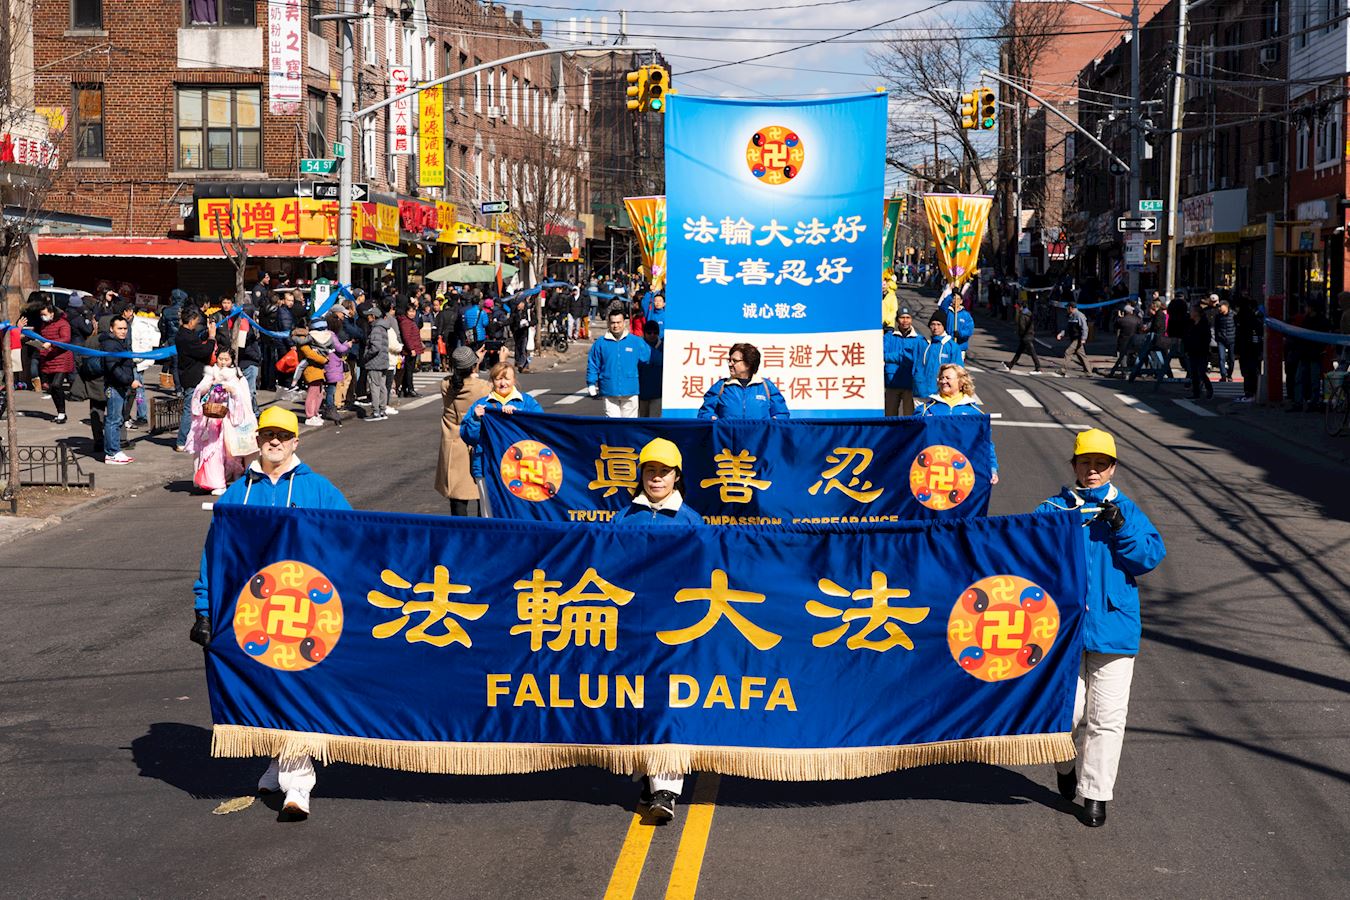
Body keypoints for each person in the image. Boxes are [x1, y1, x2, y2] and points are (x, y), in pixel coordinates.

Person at [189, 405, 350, 818]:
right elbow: (215, 556)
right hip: (252, 615)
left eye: (283, 435)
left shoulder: (319, 490)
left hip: (307, 615)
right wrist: (204, 608)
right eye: (267, 435)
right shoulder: (238, 493)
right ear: (257, 440)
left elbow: (352, 542)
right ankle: (280, 761)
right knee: (265, 692)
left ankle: (298, 787)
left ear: (296, 441)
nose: (274, 441)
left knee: (295, 691)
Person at [1036, 428, 1165, 828]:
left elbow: (1149, 557)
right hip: (1062, 632)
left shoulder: (1126, 510)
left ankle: (1096, 795)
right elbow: (1027, 559)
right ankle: (1064, 766)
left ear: (1112, 468)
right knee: (1061, 716)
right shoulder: (1051, 510)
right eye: (1085, 463)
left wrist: (1121, 526)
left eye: (1101, 464)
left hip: (1115, 628)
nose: (1092, 471)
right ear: (1074, 465)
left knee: (1107, 717)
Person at [611, 437, 704, 822]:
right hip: (632, 629)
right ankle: (645, 769)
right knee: (635, 701)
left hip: (673, 633)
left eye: (663, 472)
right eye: (650, 471)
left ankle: (665, 788)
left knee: (667, 705)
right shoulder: (623, 518)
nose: (655, 479)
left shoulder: (690, 521)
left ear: (677, 477)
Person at [460, 361, 544, 515]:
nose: (503, 383)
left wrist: (518, 416)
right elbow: (468, 437)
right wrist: (475, 419)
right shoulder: (481, 404)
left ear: (514, 380)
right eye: (498, 379)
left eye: (507, 378)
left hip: (521, 468)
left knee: (520, 513)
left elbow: (540, 429)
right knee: (489, 514)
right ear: (492, 381)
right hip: (488, 466)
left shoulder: (527, 403)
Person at [184, 349, 258, 495]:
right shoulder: (211, 373)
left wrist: (232, 391)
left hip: (228, 417)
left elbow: (244, 397)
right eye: (220, 359)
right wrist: (208, 386)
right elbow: (199, 390)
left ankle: (225, 479)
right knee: (212, 451)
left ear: (232, 360)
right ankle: (214, 482)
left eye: (226, 359)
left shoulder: (237, 375)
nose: (223, 362)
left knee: (229, 451)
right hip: (211, 417)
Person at [919, 363, 998, 483]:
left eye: (948, 378)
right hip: (930, 471)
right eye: (941, 378)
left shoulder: (975, 413)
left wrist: (992, 469)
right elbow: (911, 439)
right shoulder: (925, 409)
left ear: (961, 382)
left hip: (962, 474)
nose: (943, 381)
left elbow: (986, 444)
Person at [436, 345, 491, 515]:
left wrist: (473, 363)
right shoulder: (482, 387)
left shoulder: (446, 384)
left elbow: (460, 377)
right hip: (475, 440)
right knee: (482, 493)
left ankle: (460, 533)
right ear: (474, 367)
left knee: (457, 495)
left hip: (453, 441)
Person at [587, 305, 651, 418]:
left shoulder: (635, 341)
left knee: (630, 426)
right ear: (608, 323)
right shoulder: (600, 343)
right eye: (613, 322)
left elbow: (648, 358)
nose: (616, 325)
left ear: (624, 322)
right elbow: (593, 364)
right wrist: (591, 383)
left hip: (630, 389)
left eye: (618, 322)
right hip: (609, 389)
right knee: (613, 426)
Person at [697, 342, 790, 420]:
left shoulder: (766, 386)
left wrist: (776, 420)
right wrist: (710, 417)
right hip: (729, 441)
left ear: (748, 363)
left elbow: (782, 414)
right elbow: (704, 413)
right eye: (729, 360)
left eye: (735, 361)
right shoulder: (721, 386)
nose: (730, 364)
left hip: (760, 441)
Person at [99, 316, 140, 465]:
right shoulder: (111, 345)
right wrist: (130, 381)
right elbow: (113, 368)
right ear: (112, 329)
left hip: (121, 386)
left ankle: (115, 450)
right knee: (113, 420)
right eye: (119, 328)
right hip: (114, 386)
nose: (123, 331)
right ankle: (111, 453)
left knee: (117, 419)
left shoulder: (120, 343)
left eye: (125, 328)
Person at [175, 309, 217, 452]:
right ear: (192, 320)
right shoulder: (187, 337)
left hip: (189, 374)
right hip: (192, 376)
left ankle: (190, 438)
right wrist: (211, 337)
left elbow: (198, 344)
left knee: (194, 408)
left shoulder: (183, 333)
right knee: (190, 409)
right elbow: (203, 351)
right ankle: (182, 440)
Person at [30, 301, 74, 424]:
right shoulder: (44, 325)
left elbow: (66, 338)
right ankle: (60, 412)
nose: (42, 316)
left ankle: (62, 413)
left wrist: (51, 343)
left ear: (52, 313)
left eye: (44, 314)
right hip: (48, 359)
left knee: (56, 385)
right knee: (52, 389)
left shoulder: (63, 323)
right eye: (41, 314)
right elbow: (43, 337)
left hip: (62, 359)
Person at [883, 306, 922, 415]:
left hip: (910, 383)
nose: (905, 320)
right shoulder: (889, 337)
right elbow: (882, 354)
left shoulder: (919, 339)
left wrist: (895, 357)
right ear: (897, 319)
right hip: (891, 381)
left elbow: (917, 358)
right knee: (889, 415)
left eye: (908, 317)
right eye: (902, 317)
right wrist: (902, 356)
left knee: (909, 416)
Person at [913, 312, 962, 400]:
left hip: (941, 394)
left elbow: (958, 371)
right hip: (920, 391)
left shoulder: (952, 347)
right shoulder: (922, 343)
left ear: (944, 326)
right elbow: (914, 364)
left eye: (939, 324)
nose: (935, 327)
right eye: (933, 324)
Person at [360, 304, 394, 421]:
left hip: (375, 362)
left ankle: (376, 412)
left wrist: (366, 355)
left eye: (369, 316)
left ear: (373, 317)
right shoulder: (383, 328)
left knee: (374, 387)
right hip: (383, 361)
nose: (367, 318)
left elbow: (375, 347)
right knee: (382, 386)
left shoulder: (375, 329)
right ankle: (382, 410)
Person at [1183, 305, 1214, 400]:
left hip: (1202, 351)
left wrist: (1203, 346)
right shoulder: (1190, 323)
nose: (1190, 313)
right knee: (1193, 373)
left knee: (1201, 371)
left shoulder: (1204, 323)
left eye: (1192, 311)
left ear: (1196, 313)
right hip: (1192, 351)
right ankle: (1196, 393)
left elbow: (1207, 338)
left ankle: (1209, 389)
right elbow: (1187, 336)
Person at [1004, 299, 1043, 373]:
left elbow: (1022, 327)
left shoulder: (1022, 315)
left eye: (1017, 306)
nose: (1016, 308)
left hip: (1026, 337)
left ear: (1020, 306)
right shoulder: (1029, 313)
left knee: (1032, 353)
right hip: (1029, 334)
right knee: (1019, 352)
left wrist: (1020, 334)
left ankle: (1038, 368)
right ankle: (1010, 365)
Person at [396, 301, 425, 398]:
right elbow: (406, 337)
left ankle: (406, 389)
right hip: (409, 350)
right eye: (410, 311)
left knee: (409, 370)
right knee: (409, 371)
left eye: (414, 311)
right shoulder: (406, 322)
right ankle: (409, 389)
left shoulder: (410, 321)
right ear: (406, 312)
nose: (412, 313)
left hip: (413, 349)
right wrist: (411, 349)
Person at [637, 321, 663, 418]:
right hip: (641, 393)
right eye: (649, 332)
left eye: (655, 332)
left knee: (654, 421)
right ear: (644, 333)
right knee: (642, 420)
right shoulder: (638, 346)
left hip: (658, 393)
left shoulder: (664, 347)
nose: (652, 335)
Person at [1058, 301, 1091, 377]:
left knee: (1068, 352)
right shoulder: (1070, 316)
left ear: (1070, 308)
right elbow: (1067, 328)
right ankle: (1088, 371)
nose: (1066, 309)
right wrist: (1061, 334)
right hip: (1073, 338)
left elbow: (1085, 328)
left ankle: (1063, 370)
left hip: (1078, 339)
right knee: (1081, 355)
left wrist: (1083, 338)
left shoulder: (1079, 315)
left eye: (1067, 308)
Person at [1213, 299, 1236, 382]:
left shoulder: (1233, 315)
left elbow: (1236, 326)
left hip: (1231, 339)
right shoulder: (1218, 316)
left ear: (1226, 306)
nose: (1219, 308)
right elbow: (1216, 327)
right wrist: (1217, 337)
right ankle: (1223, 375)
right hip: (1221, 340)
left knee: (1231, 359)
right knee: (1221, 357)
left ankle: (1229, 375)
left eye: (1220, 306)